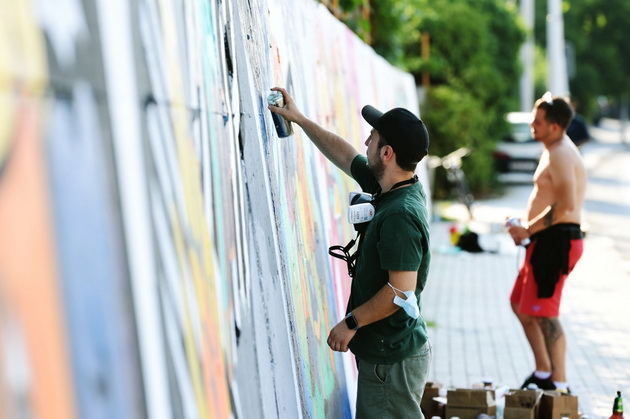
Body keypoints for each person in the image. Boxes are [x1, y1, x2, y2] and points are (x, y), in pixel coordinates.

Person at [269, 87, 432, 418]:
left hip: (391, 361)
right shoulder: (391, 186)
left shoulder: (401, 213)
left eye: (372, 137)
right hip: (389, 352)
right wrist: (299, 119)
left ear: (387, 153)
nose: (365, 143)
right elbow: (344, 155)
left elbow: (400, 291)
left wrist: (351, 322)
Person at [506, 92, 587, 394]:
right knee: (520, 305)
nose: (532, 125)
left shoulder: (562, 153)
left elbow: (566, 205)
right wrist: (526, 228)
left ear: (554, 126)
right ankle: (543, 371)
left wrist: (527, 229)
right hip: (544, 241)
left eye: (538, 121)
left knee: (544, 314)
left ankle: (560, 385)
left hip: (557, 242)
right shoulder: (553, 149)